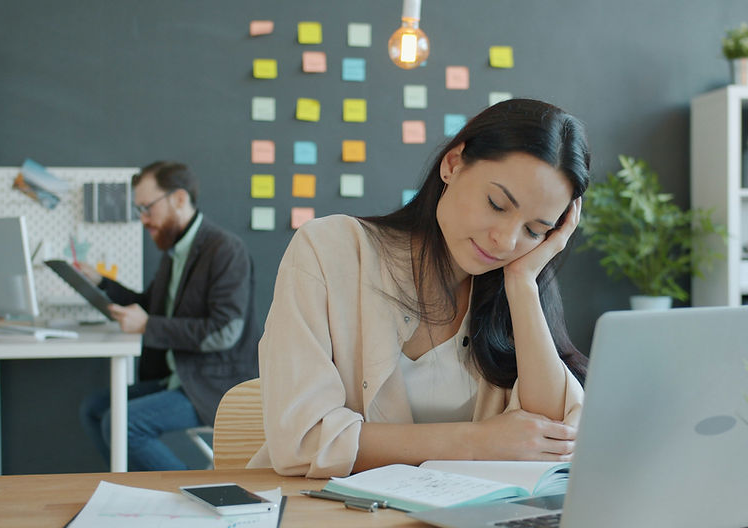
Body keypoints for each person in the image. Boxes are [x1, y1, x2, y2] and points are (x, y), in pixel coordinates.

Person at [252, 99, 590, 478]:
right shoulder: (329, 249)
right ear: (453, 164)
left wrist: (523, 284)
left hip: (454, 526)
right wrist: (477, 442)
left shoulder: (512, 291)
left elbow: (552, 438)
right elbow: (304, 440)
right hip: (325, 519)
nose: (506, 241)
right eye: (497, 204)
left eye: (534, 230)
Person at [78, 161, 259, 471]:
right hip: (180, 377)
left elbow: (224, 330)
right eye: (140, 210)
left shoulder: (225, 250)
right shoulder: (175, 252)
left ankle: (184, 492)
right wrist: (101, 283)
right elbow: (151, 306)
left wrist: (148, 325)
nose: (144, 219)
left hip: (213, 385)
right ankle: (137, 488)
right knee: (94, 409)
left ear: (178, 199)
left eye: (147, 208)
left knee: (122, 424)